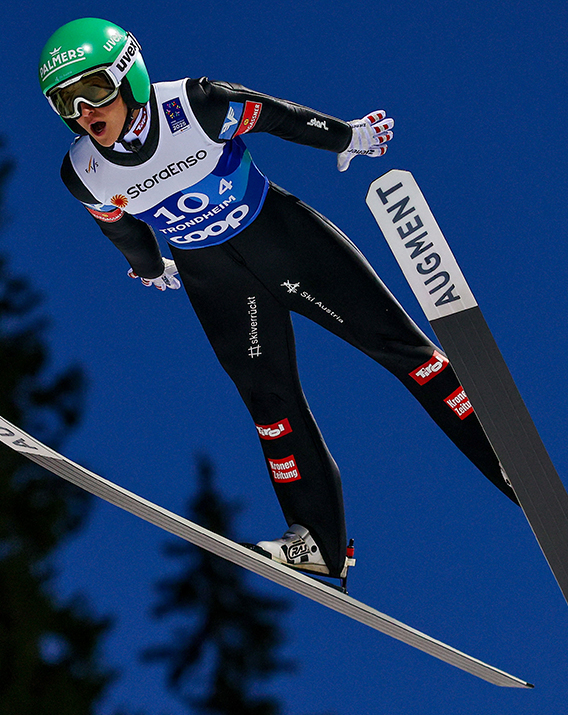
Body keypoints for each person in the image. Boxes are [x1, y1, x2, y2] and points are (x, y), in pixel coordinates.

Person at [40, 18, 517, 583]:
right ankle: (318, 540)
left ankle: (511, 463)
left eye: (91, 91)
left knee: (404, 352)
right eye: (64, 103)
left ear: (130, 76)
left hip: (285, 243)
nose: (82, 112)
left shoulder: (197, 106)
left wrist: (351, 137)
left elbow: (284, 117)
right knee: (271, 406)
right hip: (216, 282)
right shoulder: (82, 172)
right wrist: (148, 269)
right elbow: (119, 227)